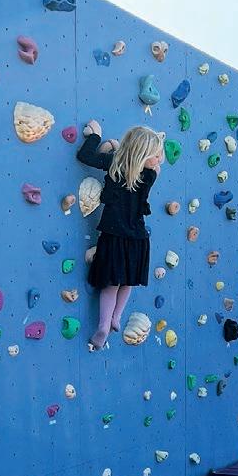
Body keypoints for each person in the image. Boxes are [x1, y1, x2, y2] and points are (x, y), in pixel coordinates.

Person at [77, 120, 164, 351]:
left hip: (113, 235)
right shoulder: (151, 175)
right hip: (138, 238)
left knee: (110, 284)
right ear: (143, 155)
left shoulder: (115, 164)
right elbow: (146, 166)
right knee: (128, 281)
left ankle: (104, 324)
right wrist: (118, 149)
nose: (159, 160)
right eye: (156, 155)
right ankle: (117, 316)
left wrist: (96, 137)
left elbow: (85, 156)